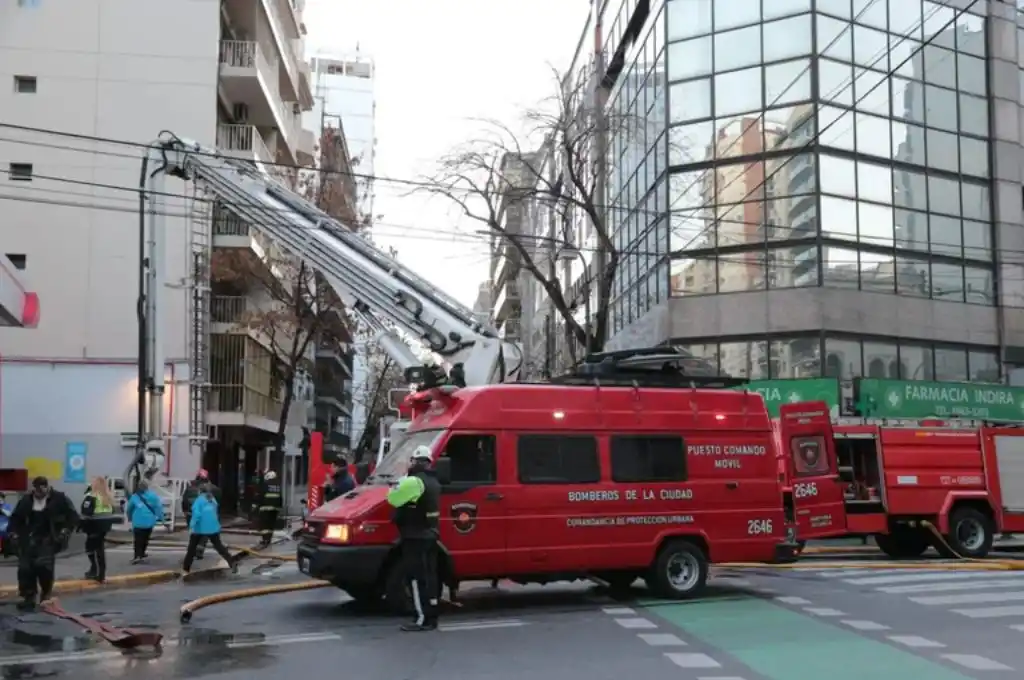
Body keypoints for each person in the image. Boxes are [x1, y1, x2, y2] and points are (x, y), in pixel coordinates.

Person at [386, 446, 442, 632]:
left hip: (414, 536)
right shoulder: (433, 481)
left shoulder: (414, 482)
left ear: (416, 461)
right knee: (430, 577)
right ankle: (432, 614)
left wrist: (400, 480)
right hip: (431, 534)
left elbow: (392, 498)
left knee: (417, 579)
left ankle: (422, 618)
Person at [8, 477, 78, 610]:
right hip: (28, 539)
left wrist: (64, 531)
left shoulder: (59, 498)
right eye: (36, 490)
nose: (39, 493)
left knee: (44, 567)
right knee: (25, 569)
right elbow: (15, 518)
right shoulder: (26, 500)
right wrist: (13, 533)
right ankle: (28, 596)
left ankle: (45, 595)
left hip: (48, 538)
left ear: (47, 487)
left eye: (41, 490)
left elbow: (72, 517)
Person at [182, 484, 237, 575]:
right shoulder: (212, 500)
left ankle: (185, 569)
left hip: (199, 529)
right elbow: (215, 512)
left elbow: (196, 514)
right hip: (213, 528)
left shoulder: (199, 500)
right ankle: (232, 562)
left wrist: (191, 526)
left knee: (191, 549)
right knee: (219, 546)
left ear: (200, 491)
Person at [79, 476, 115, 582]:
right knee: (99, 548)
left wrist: (80, 524)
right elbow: (112, 511)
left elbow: (86, 512)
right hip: (105, 526)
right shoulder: (108, 496)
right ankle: (100, 573)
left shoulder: (91, 496)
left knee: (90, 548)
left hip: (94, 525)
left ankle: (95, 570)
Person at [126, 479, 164, 565]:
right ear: (147, 487)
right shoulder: (153, 496)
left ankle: (137, 556)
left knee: (138, 540)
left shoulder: (135, 497)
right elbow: (158, 508)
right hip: (150, 521)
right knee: (145, 538)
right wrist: (162, 519)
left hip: (138, 522)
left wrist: (129, 517)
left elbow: (129, 509)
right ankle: (142, 553)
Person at [181, 469, 210, 560]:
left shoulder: (189, 488)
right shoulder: (207, 489)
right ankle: (199, 550)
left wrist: (185, 511)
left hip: (190, 514)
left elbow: (184, 500)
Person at [255, 469, 282, 549]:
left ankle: (265, 540)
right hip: (275, 509)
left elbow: (260, 496)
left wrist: (256, 506)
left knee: (264, 526)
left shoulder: (265, 484)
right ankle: (269, 539)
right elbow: (280, 497)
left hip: (265, 509)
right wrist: (279, 508)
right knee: (271, 525)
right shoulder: (278, 485)